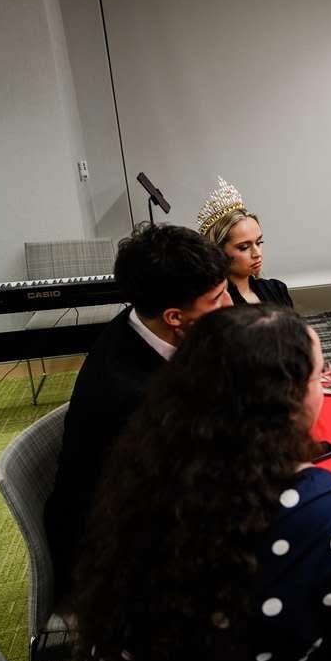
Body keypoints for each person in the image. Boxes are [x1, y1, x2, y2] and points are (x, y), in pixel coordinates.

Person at [71, 305, 331, 661]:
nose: (326, 384)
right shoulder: (316, 508)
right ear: (287, 399)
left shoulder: (154, 460)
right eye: (319, 376)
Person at [44, 223, 231, 600]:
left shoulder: (141, 324)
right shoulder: (131, 395)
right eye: (217, 298)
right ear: (174, 317)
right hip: (117, 561)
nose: (229, 305)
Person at [198, 176, 293, 307]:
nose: (257, 253)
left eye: (259, 243)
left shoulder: (276, 289)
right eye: (244, 247)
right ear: (219, 252)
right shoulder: (216, 304)